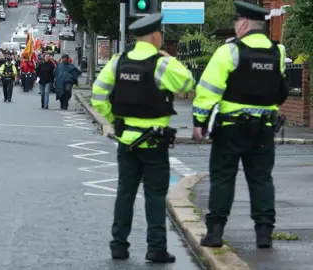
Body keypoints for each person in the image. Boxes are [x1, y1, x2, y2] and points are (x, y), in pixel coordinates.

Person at [91, 13, 195, 262]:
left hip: (126, 140)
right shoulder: (161, 64)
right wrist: (170, 58)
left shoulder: (118, 62)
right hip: (154, 143)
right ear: (156, 36)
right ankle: (156, 248)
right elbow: (188, 83)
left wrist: (116, 120)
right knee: (155, 195)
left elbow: (98, 94)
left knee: (124, 193)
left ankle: (118, 245)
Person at [192, 1, 289, 249]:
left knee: (223, 178)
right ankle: (264, 234)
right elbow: (280, 91)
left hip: (231, 128)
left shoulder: (230, 52)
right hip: (264, 128)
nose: (235, 27)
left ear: (244, 23)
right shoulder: (277, 52)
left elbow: (207, 91)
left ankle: (215, 233)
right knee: (261, 179)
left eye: (236, 22)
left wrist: (199, 123)